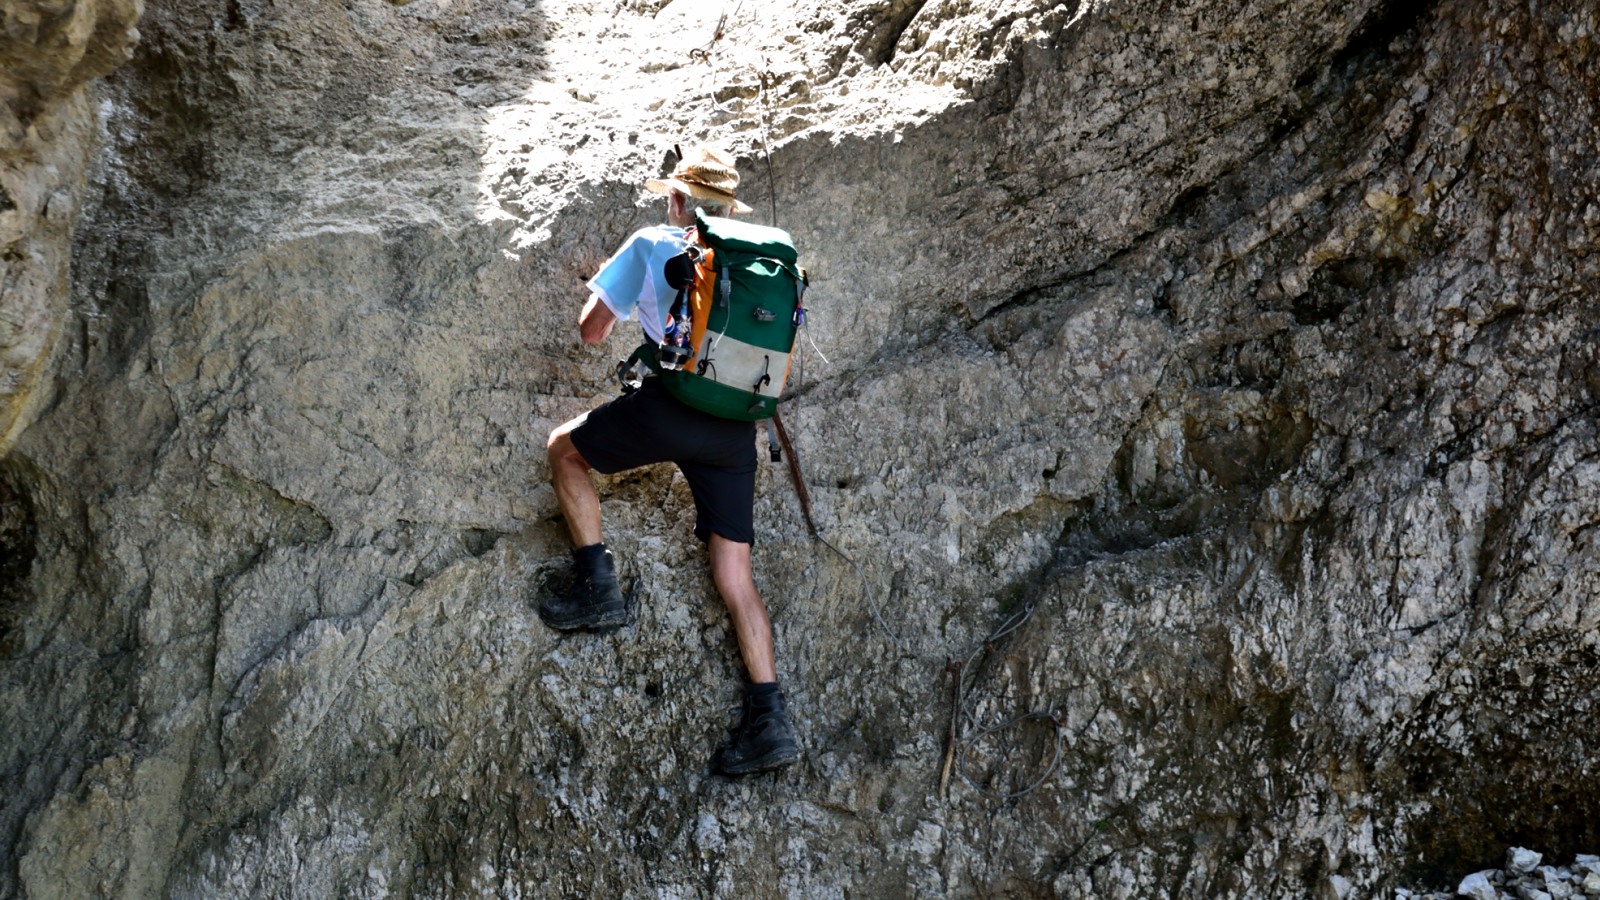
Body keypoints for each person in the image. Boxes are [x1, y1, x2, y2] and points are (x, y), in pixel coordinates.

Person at [541, 147, 799, 776]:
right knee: (735, 576)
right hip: (734, 431)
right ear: (730, 209)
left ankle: (597, 587)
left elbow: (592, 331)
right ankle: (771, 722)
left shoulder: (653, 242)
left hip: (669, 408)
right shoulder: (757, 260)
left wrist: (622, 291)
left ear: (678, 200)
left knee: (564, 450)